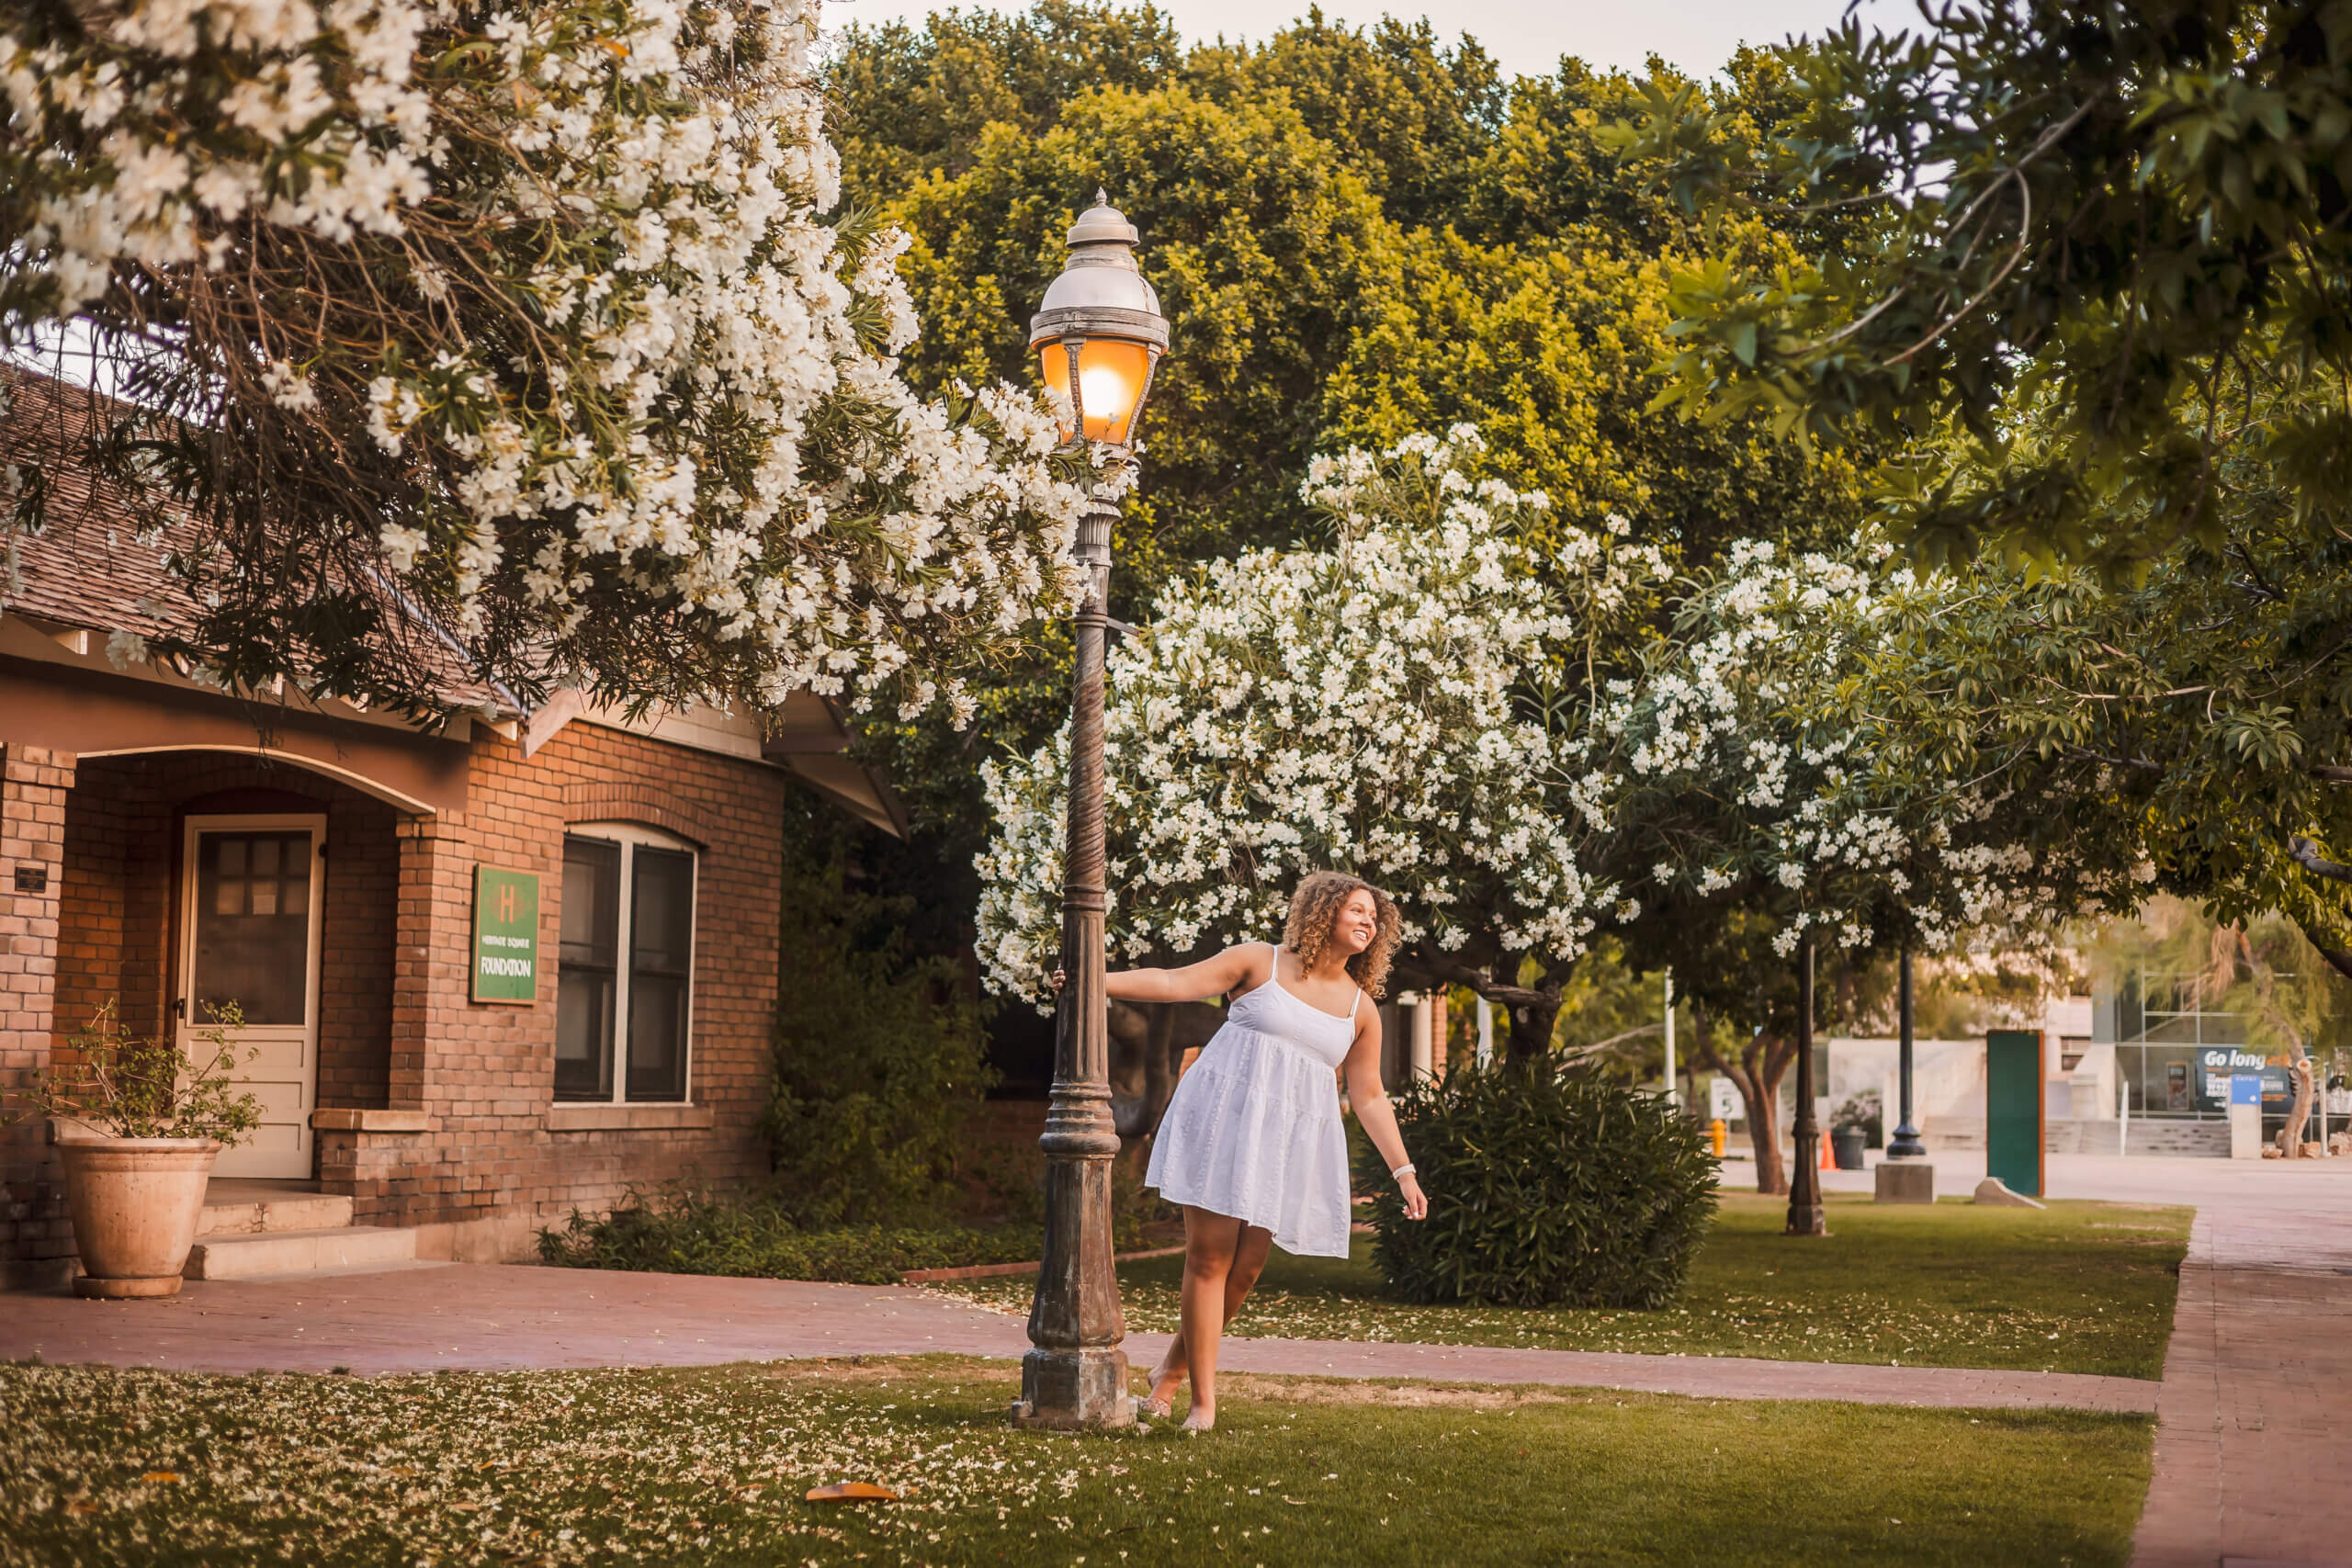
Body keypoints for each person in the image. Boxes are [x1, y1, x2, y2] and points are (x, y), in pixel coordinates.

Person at [1055, 871, 1427, 1431]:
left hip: (1284, 1146)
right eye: (1356, 910)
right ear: (1322, 912)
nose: (1367, 922)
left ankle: (1170, 1372)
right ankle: (1200, 1400)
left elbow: (1370, 1095)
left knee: (1246, 1271)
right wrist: (1092, 981)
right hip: (1223, 1121)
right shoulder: (1260, 962)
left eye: (1374, 916)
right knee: (1209, 1259)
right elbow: (1175, 981)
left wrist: (1404, 1172)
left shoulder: (1361, 1010)